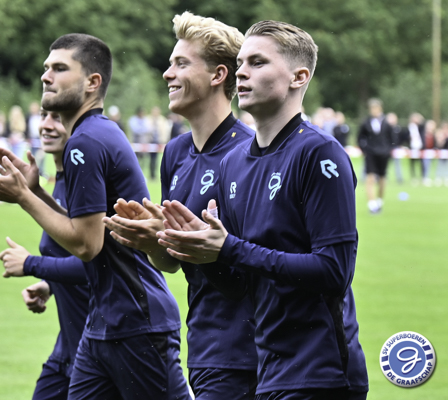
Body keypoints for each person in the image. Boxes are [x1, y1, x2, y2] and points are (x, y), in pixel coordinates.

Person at [157, 20, 368, 400]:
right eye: (240, 63)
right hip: (268, 369)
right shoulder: (234, 163)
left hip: (320, 373)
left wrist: (228, 248)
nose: (241, 72)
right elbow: (238, 284)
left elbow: (334, 271)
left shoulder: (320, 153)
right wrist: (197, 247)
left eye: (257, 62)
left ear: (299, 77)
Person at [0, 33, 190, 400]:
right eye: (47, 68)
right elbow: (88, 228)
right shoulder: (92, 135)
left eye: (60, 68)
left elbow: (87, 245)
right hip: (103, 321)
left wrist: (23, 197)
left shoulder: (86, 141)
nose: (46, 76)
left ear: (92, 82)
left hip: (135, 320)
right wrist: (37, 191)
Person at [103, 12, 258, 399]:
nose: (167, 74)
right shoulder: (174, 153)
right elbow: (171, 263)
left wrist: (186, 241)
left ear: (218, 75)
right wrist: (153, 241)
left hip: (247, 352)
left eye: (181, 64)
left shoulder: (250, 154)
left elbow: (252, 270)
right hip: (202, 347)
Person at [0, 109, 89, 400]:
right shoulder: (61, 181)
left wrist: (31, 264)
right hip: (69, 346)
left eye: (57, 117)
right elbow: (71, 253)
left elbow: (96, 263)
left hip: (101, 345)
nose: (46, 125)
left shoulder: (86, 185)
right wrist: (51, 284)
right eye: (43, 115)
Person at [357, 98, 394, 214]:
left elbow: (392, 139)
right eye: (372, 108)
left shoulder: (387, 123)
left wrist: (388, 150)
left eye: (376, 108)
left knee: (382, 178)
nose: (374, 110)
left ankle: (379, 201)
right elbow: (360, 138)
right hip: (371, 153)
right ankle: (372, 204)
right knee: (370, 177)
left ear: (380, 108)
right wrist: (365, 150)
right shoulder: (365, 122)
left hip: (383, 154)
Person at [145, 106, 170, 180]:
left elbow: (165, 131)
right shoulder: (148, 119)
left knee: (157, 159)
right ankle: (151, 174)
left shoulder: (162, 120)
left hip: (158, 141)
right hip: (150, 141)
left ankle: (155, 174)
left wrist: (163, 140)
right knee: (149, 159)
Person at [26, 102, 45, 176]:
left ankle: (41, 172)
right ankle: (33, 171)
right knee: (32, 156)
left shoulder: (41, 117)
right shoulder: (28, 117)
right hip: (32, 138)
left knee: (41, 156)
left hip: (39, 138)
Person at [407, 113, 425, 184]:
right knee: (412, 163)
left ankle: (423, 177)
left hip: (420, 147)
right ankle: (413, 177)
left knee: (421, 163)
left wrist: (419, 117)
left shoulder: (420, 127)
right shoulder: (409, 127)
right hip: (412, 147)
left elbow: (423, 123)